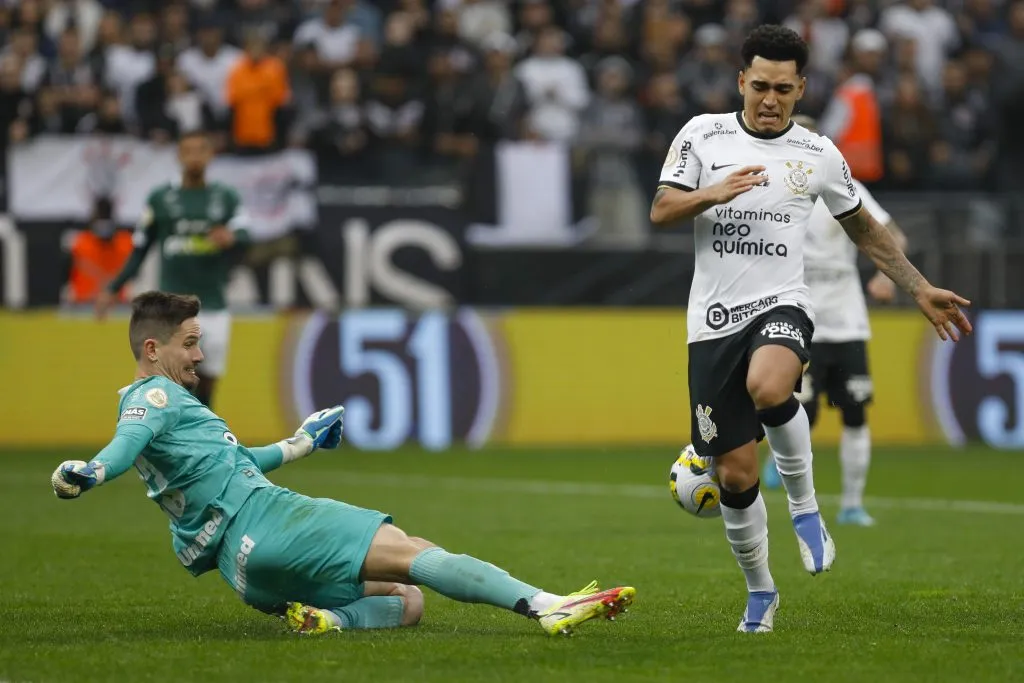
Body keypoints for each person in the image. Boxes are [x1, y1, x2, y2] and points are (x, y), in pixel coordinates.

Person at [52, 291, 635, 637]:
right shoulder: (153, 398)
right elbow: (121, 450)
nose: (200, 355)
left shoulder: (171, 408)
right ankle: (546, 606)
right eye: (188, 343)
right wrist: (88, 472)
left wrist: (300, 443)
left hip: (248, 572)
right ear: (152, 350)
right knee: (414, 551)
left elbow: (235, 460)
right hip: (270, 522)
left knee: (409, 602)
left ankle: (332, 622)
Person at [649, 24, 971, 633]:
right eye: (760, 86)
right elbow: (662, 208)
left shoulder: (818, 154)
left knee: (773, 388)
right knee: (737, 476)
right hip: (711, 323)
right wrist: (713, 193)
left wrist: (919, 286)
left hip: (783, 304)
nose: (770, 100)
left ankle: (806, 507)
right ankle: (761, 591)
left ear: (801, 89)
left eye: (784, 89)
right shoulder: (702, 134)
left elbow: (868, 231)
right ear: (742, 80)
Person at [760, 114, 908, 528]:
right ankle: (778, 457)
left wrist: (883, 273)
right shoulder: (771, 189)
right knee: (799, 413)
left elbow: (894, 235)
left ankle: (852, 504)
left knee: (855, 413)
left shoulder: (845, 187)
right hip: (797, 317)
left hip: (846, 320)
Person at [96, 130, 249, 410]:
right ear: (179, 156)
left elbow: (245, 232)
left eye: (200, 150)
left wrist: (232, 236)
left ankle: (203, 441)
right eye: (188, 151)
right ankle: (158, 443)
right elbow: (140, 247)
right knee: (171, 381)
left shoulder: (225, 197)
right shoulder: (160, 199)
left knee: (208, 382)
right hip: (173, 308)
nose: (194, 157)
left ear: (210, 154)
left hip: (213, 303)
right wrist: (112, 288)